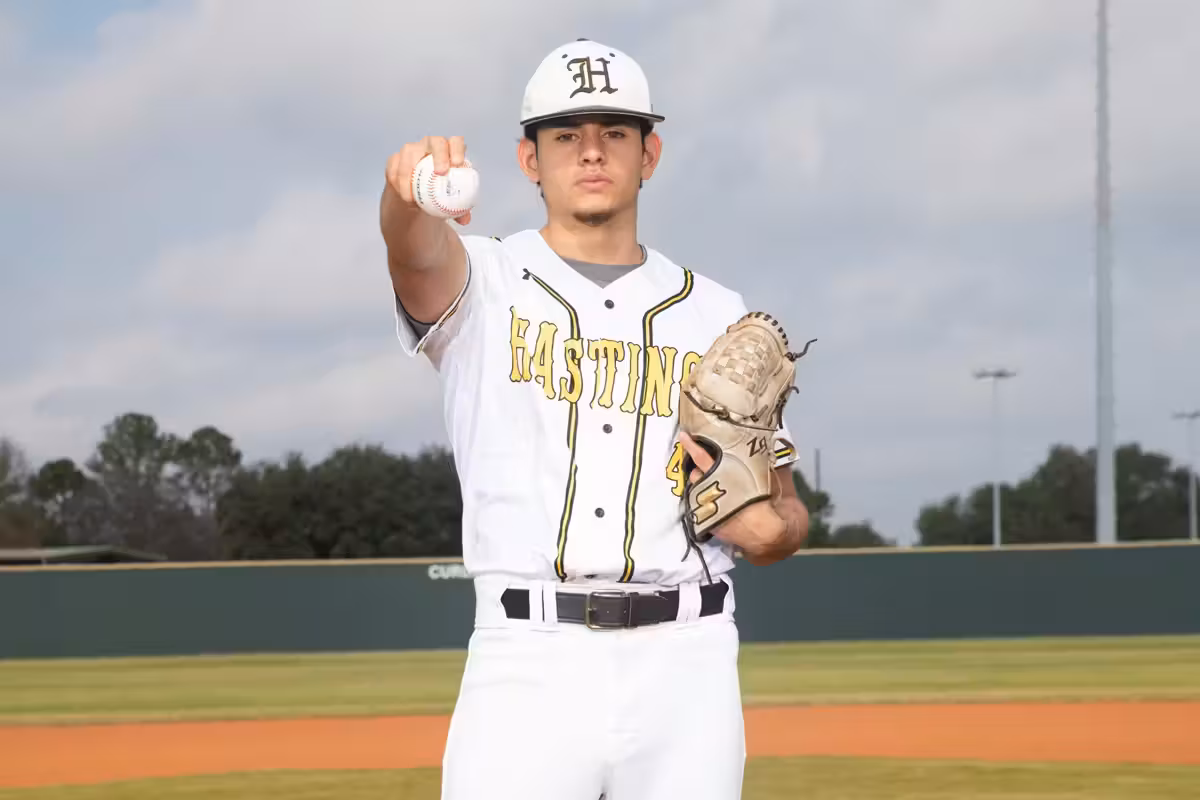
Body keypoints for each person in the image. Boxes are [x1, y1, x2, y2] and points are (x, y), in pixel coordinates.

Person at [379, 38, 810, 800]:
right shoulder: (482, 279)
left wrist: (774, 530)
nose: (591, 152)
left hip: (689, 660)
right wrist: (404, 194)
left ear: (650, 154)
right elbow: (412, 255)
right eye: (566, 135)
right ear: (527, 158)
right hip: (528, 659)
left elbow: (782, 511)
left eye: (614, 132)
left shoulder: (718, 312)